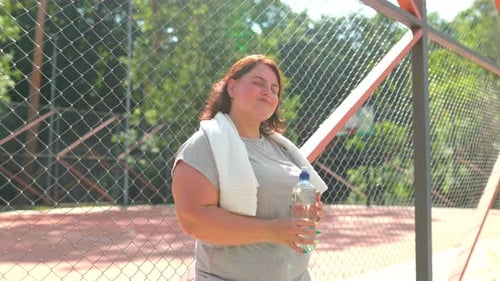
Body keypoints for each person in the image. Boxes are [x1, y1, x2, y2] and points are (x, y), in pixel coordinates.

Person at [171, 54, 328, 281]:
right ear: (232, 87)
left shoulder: (281, 149)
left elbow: (283, 203)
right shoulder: (206, 144)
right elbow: (194, 219)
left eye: (275, 89)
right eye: (258, 83)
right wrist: (275, 230)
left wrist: (306, 210)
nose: (268, 92)